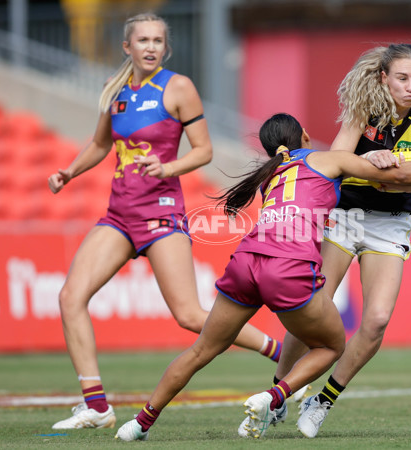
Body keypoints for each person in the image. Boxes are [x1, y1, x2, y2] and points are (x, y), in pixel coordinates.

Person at [113, 112, 411, 441]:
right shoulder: (329, 158)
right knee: (331, 346)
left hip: (245, 261)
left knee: (201, 350)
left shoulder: (271, 174)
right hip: (288, 267)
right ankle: (275, 397)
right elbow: (398, 177)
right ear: (306, 137)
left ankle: (139, 423)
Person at [47, 13, 282, 430]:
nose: (151, 46)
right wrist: (69, 172)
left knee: (191, 315)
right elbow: (101, 144)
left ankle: (281, 353)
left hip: (161, 215)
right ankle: (97, 406)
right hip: (119, 215)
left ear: (165, 47)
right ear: (128, 47)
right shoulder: (113, 89)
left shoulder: (178, 88)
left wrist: (169, 167)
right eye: (143, 40)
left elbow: (204, 151)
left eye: (158, 40)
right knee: (70, 297)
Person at [270, 43, 411, 438]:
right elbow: (335, 164)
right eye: (402, 78)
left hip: (391, 223)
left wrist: (401, 178)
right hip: (347, 216)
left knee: (376, 321)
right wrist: (374, 161)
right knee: (315, 311)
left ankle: (321, 401)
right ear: (384, 77)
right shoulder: (366, 109)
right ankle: (275, 393)